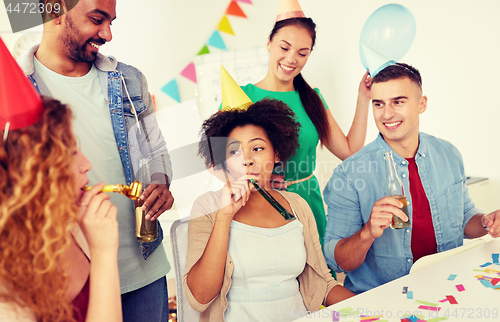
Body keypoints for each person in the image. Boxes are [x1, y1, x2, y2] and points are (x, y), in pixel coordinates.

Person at [17, 1, 174, 320]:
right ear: (55, 12)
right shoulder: (18, 90)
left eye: (111, 21)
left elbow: (156, 148)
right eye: (97, 19)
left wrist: (161, 181)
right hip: (69, 277)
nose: (108, 34)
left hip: (143, 269)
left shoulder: (129, 80)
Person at [323, 63, 500, 294]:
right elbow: (338, 262)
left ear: (421, 104)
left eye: (398, 102)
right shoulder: (350, 174)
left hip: (447, 288)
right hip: (385, 298)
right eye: (379, 104)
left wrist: (487, 221)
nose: (387, 114)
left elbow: (465, 218)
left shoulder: (448, 154)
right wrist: (367, 232)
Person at [185, 98, 354, 322]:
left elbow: (324, 283)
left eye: (257, 148)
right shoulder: (207, 207)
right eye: (234, 152)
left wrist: (372, 309)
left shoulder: (297, 204)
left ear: (276, 155)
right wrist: (225, 216)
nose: (247, 160)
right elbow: (200, 298)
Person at [231, 0, 371, 246]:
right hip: (262, 206)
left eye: (302, 53)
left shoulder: (312, 98)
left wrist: (363, 99)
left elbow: (349, 151)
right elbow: (218, 161)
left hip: (309, 203)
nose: (291, 59)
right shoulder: (241, 98)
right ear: (269, 43)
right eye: (284, 47)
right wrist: (261, 181)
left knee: (317, 277)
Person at [0, 96, 121, 322]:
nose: (87, 164)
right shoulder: (4, 292)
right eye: (71, 154)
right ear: (32, 174)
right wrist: (104, 253)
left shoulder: (72, 225)